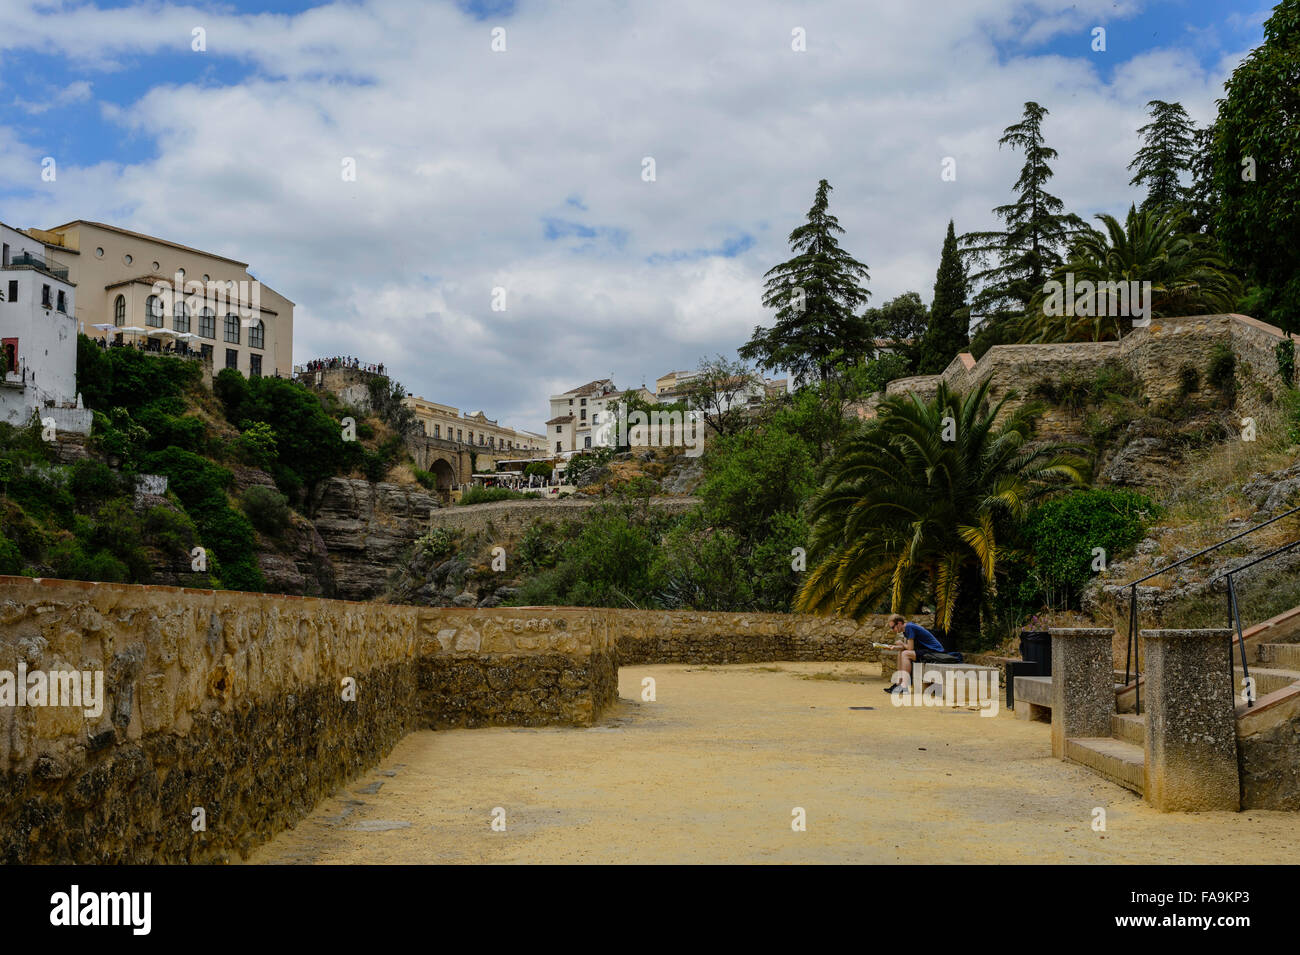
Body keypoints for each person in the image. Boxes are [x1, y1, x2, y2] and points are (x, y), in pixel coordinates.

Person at [883, 613, 955, 693]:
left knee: (905, 654)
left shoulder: (909, 627)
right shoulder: (906, 629)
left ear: (899, 623)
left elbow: (910, 648)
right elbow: (908, 647)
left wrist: (902, 644)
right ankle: (898, 683)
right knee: (901, 652)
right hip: (926, 650)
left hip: (934, 651)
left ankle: (904, 685)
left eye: (893, 627)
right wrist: (894, 647)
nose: (893, 630)